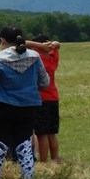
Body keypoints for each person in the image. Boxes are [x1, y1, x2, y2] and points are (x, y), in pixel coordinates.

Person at [0, 27, 50, 179]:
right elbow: (45, 82)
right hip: (28, 107)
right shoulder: (34, 57)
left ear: (3, 40)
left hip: (2, 108)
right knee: (25, 144)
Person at [30, 34, 61, 162]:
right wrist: (54, 44)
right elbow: (58, 45)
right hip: (53, 97)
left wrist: (37, 45)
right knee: (51, 133)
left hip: (41, 98)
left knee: (41, 133)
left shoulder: (38, 59)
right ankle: (55, 159)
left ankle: (43, 162)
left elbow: (23, 44)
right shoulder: (53, 56)